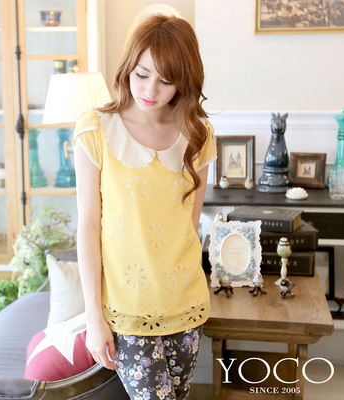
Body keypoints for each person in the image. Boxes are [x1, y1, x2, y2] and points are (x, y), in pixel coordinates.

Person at [73, 14, 217, 400]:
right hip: (126, 310)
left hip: (185, 304)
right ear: (128, 68)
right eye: (142, 74)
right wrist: (94, 317)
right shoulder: (95, 130)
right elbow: (88, 227)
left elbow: (189, 224)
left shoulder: (198, 134)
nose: (150, 89)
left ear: (183, 81)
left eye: (166, 80)